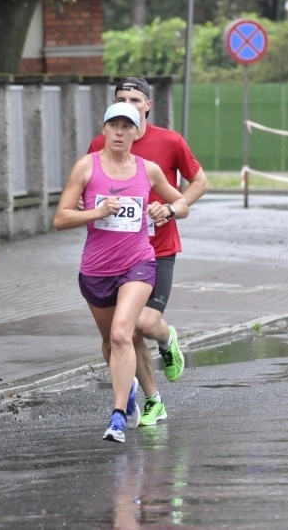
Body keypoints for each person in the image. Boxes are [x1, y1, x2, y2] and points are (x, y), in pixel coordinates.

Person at [54, 102, 189, 443]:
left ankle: (117, 416)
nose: (119, 132)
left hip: (139, 264)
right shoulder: (86, 168)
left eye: (126, 126)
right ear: (104, 130)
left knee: (121, 334)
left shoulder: (149, 170)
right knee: (108, 342)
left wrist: (166, 209)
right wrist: (95, 212)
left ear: (135, 133)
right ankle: (129, 391)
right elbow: (60, 218)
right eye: (113, 125)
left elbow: (183, 204)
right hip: (96, 270)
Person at [87, 77, 208, 427]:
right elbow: (87, 185)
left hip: (158, 247)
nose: (130, 103)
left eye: (136, 99)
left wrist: (171, 208)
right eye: (121, 98)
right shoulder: (100, 143)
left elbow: (200, 182)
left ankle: (167, 338)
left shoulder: (169, 141)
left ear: (148, 105)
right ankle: (152, 400)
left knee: (144, 323)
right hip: (115, 254)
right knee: (124, 333)